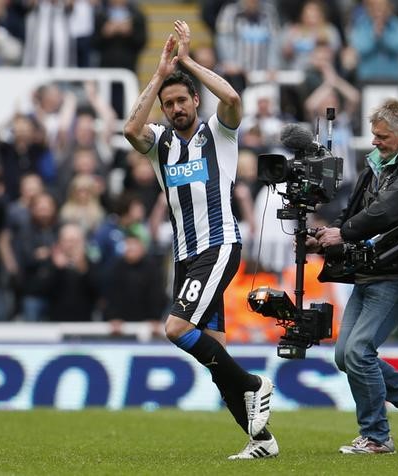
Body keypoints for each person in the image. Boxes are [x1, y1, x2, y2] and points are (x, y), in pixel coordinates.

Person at [123, 20, 277, 460]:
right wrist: (157, 75)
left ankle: (254, 385)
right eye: (167, 103)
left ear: (194, 100)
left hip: (220, 245)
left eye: (180, 99)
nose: (174, 108)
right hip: (186, 257)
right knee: (216, 357)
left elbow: (231, 98)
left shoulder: (219, 132)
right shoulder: (160, 144)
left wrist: (187, 61)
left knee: (176, 328)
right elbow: (131, 131)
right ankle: (261, 440)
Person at [307, 98, 398, 454]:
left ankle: (376, 437)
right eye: (373, 135)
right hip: (370, 271)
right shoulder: (380, 164)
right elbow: (355, 211)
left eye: (381, 136)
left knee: (359, 352)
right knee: (346, 356)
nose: (374, 142)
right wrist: (328, 237)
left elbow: (389, 211)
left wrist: (344, 234)